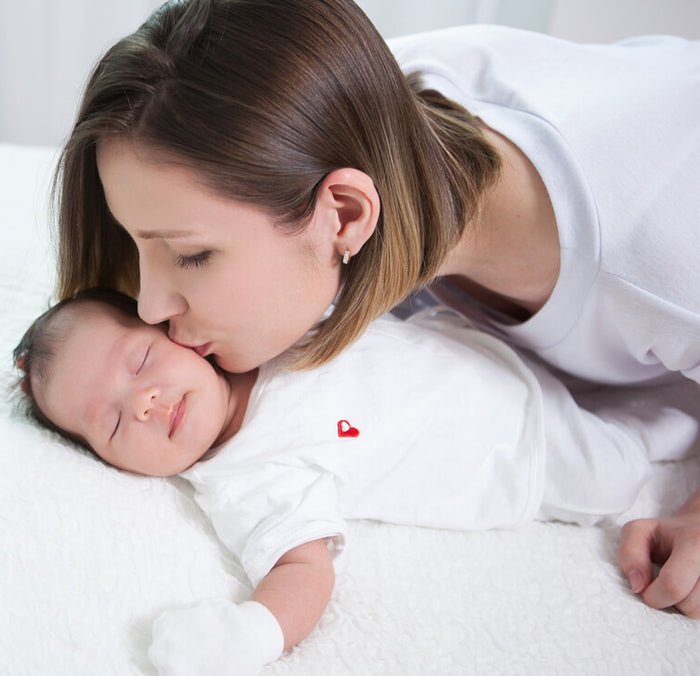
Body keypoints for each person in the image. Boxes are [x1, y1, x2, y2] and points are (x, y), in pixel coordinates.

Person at [51, 0, 700, 620]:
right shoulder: (314, 113)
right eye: (137, 244)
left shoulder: (656, 263)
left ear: (345, 214)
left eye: (191, 255)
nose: (149, 305)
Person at [13, 288, 698, 676]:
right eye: (111, 423)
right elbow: (302, 567)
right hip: (522, 452)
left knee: (646, 355)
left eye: (140, 361)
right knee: (631, 462)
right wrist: (253, 633)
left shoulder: (255, 336)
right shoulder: (246, 478)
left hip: (481, 338)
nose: (144, 401)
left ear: (177, 334)